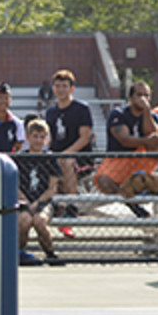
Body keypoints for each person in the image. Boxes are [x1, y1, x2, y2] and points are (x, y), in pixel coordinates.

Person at [94, 81, 158, 205]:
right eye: (139, 95)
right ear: (131, 97)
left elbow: (151, 134)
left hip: (142, 160)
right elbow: (125, 140)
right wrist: (147, 141)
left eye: (146, 95)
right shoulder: (118, 113)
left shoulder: (153, 116)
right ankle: (131, 203)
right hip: (119, 159)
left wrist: (147, 110)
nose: (143, 98)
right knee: (103, 180)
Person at [44, 69, 94, 219]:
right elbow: (49, 139)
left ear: (71, 89)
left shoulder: (82, 109)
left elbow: (84, 138)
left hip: (80, 157)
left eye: (64, 86)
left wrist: (65, 154)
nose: (61, 89)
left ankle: (73, 206)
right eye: (57, 86)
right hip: (58, 156)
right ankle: (52, 206)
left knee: (66, 161)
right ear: (53, 89)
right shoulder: (51, 112)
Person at [14, 119, 62, 266]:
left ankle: (50, 253)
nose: (39, 140)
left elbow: (52, 188)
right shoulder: (19, 158)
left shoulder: (50, 158)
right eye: (35, 136)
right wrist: (27, 202)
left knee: (39, 221)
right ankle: (19, 253)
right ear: (28, 137)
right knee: (24, 220)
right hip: (23, 201)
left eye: (42, 137)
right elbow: (15, 185)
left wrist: (37, 203)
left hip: (43, 201)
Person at [0, 82, 26, 153]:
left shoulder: (17, 123)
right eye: (0, 97)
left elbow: (19, 145)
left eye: (6, 98)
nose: (3, 101)